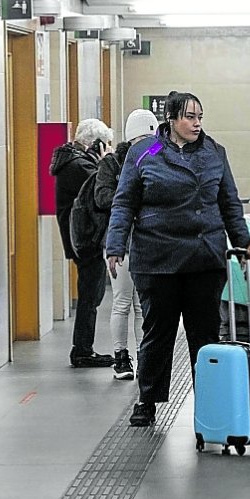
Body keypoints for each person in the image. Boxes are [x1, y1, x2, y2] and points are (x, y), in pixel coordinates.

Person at [105, 92, 250, 427]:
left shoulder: (215, 153)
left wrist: (244, 246)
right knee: (157, 333)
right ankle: (147, 399)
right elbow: (125, 201)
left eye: (200, 116)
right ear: (171, 119)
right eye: (189, 117)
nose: (197, 123)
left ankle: (211, 400)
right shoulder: (148, 151)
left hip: (204, 259)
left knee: (206, 335)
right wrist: (115, 245)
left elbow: (230, 204)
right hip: (157, 260)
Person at [92, 109, 157, 380]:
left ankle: (145, 356)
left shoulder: (156, 157)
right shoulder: (114, 163)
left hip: (145, 242)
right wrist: (129, 193)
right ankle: (121, 357)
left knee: (142, 304)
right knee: (121, 302)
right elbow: (102, 197)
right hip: (121, 242)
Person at [51, 117, 115, 369]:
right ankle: (82, 350)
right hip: (85, 239)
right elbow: (104, 189)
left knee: (92, 293)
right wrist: (107, 163)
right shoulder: (78, 166)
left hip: (81, 237)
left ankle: (83, 348)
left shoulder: (73, 161)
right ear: (95, 144)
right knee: (91, 295)